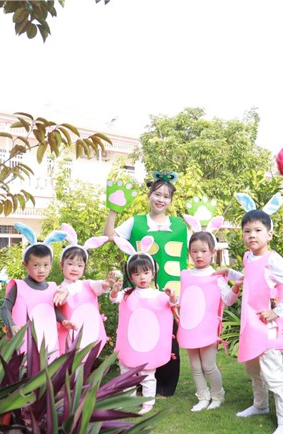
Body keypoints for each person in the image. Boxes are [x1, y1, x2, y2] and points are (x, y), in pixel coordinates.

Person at [217, 193, 283, 434]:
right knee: (253, 368)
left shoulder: (272, 260)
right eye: (247, 231)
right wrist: (229, 272)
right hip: (251, 325)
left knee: (274, 374)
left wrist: (277, 311)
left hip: (268, 326)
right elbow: (249, 279)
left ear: (269, 234)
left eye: (257, 230)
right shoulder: (248, 257)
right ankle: (260, 405)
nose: (251, 235)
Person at [104, 170, 187, 396]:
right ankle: (137, 383)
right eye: (157, 194)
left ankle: (165, 385)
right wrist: (113, 209)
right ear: (149, 195)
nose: (161, 199)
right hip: (139, 292)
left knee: (168, 336)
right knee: (139, 334)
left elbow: (192, 252)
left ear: (171, 200)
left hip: (169, 292)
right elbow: (109, 235)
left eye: (166, 196)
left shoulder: (180, 225)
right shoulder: (136, 221)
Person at [110, 235, 179, 415]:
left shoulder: (159, 295)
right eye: (137, 274)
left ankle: (147, 402)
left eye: (146, 272)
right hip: (131, 341)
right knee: (126, 370)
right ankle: (128, 397)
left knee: (148, 373)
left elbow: (173, 304)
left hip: (149, 342)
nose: (142, 277)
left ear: (153, 273)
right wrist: (115, 291)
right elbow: (114, 299)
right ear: (131, 276)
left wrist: (172, 296)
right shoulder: (127, 294)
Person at [177, 214, 240, 412]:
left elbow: (228, 299)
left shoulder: (216, 277)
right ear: (189, 253)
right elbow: (183, 300)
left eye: (203, 251)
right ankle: (202, 396)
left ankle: (217, 395)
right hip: (189, 327)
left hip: (207, 329)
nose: (199, 255)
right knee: (195, 367)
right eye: (194, 251)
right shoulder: (185, 275)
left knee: (209, 365)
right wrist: (172, 298)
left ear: (212, 252)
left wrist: (235, 287)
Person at [0, 223, 76, 359]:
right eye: (36, 265)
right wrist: (12, 325)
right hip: (25, 344)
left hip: (49, 343)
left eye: (46, 265)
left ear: (51, 265)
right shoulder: (19, 286)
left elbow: (52, 309)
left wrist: (63, 321)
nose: (41, 270)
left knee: (49, 369)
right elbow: (5, 308)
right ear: (25, 265)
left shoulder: (52, 287)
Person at [55, 223, 115, 356]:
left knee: (86, 364)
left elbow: (100, 286)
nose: (74, 268)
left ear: (84, 268)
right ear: (61, 265)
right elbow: (60, 298)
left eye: (79, 265)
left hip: (90, 336)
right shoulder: (59, 288)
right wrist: (64, 292)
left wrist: (106, 284)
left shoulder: (88, 285)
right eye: (70, 264)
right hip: (69, 339)